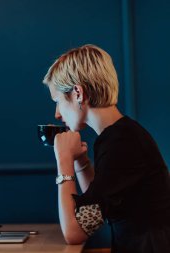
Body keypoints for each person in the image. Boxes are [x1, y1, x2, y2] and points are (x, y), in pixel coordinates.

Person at [42, 44, 170, 252]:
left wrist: (63, 163)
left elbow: (74, 232)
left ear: (77, 93)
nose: (57, 114)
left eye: (58, 101)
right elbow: (96, 210)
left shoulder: (122, 143)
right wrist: (81, 162)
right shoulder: (118, 135)